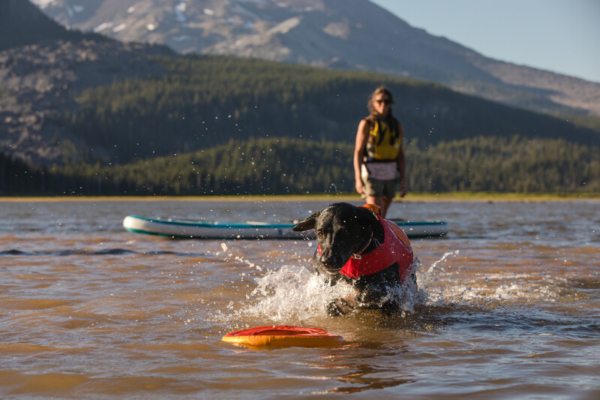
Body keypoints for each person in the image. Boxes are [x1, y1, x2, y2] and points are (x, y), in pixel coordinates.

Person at [354, 86, 407, 218]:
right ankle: (372, 233)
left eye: (387, 101)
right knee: (376, 212)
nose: (383, 104)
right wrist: (358, 179)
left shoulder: (397, 125)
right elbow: (358, 152)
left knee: (382, 214)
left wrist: (403, 180)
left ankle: (378, 235)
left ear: (391, 104)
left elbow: (400, 154)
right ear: (373, 103)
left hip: (391, 171)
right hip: (371, 169)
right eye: (380, 101)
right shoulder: (367, 123)